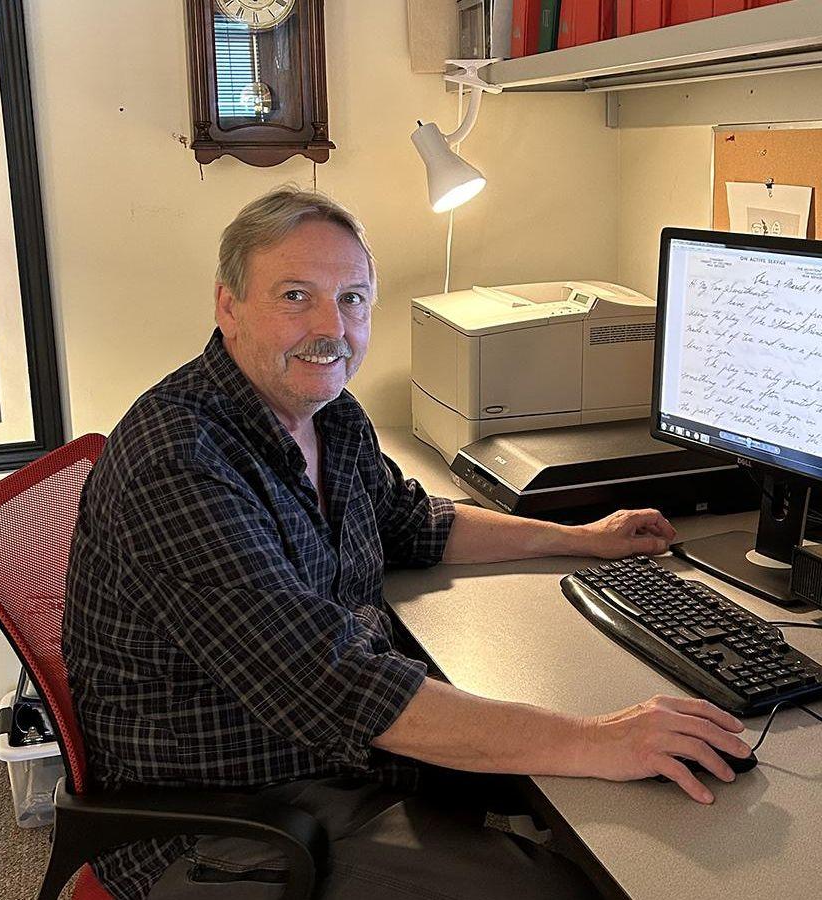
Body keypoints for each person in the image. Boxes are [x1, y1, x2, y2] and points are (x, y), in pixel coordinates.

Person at [65, 188, 752, 900]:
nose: (332, 327)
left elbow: (415, 522)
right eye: (295, 296)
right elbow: (333, 687)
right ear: (228, 305)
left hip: (327, 760)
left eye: (353, 299)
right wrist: (598, 739)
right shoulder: (182, 462)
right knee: (561, 888)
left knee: (594, 808)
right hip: (230, 818)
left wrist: (579, 538)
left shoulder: (329, 414)